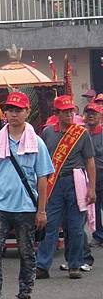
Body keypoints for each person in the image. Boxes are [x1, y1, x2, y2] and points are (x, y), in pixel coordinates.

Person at [0, 92, 54, 299]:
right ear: (5, 113)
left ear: (27, 112)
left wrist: (42, 211)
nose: (14, 114)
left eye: (18, 109)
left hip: (27, 207)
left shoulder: (36, 142)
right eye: (10, 109)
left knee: (27, 253)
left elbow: (43, 179)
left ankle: (24, 295)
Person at [37, 95, 95, 280]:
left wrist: (91, 188)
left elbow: (90, 161)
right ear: (57, 114)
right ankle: (42, 265)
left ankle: (75, 264)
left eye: (71, 111)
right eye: (65, 111)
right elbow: (41, 160)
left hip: (75, 181)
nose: (70, 114)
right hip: (53, 182)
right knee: (50, 224)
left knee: (76, 226)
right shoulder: (47, 133)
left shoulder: (81, 133)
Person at [87, 103, 103, 248]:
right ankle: (98, 236)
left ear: (100, 115)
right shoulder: (83, 134)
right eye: (89, 113)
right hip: (92, 178)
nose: (91, 116)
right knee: (94, 208)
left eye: (94, 113)